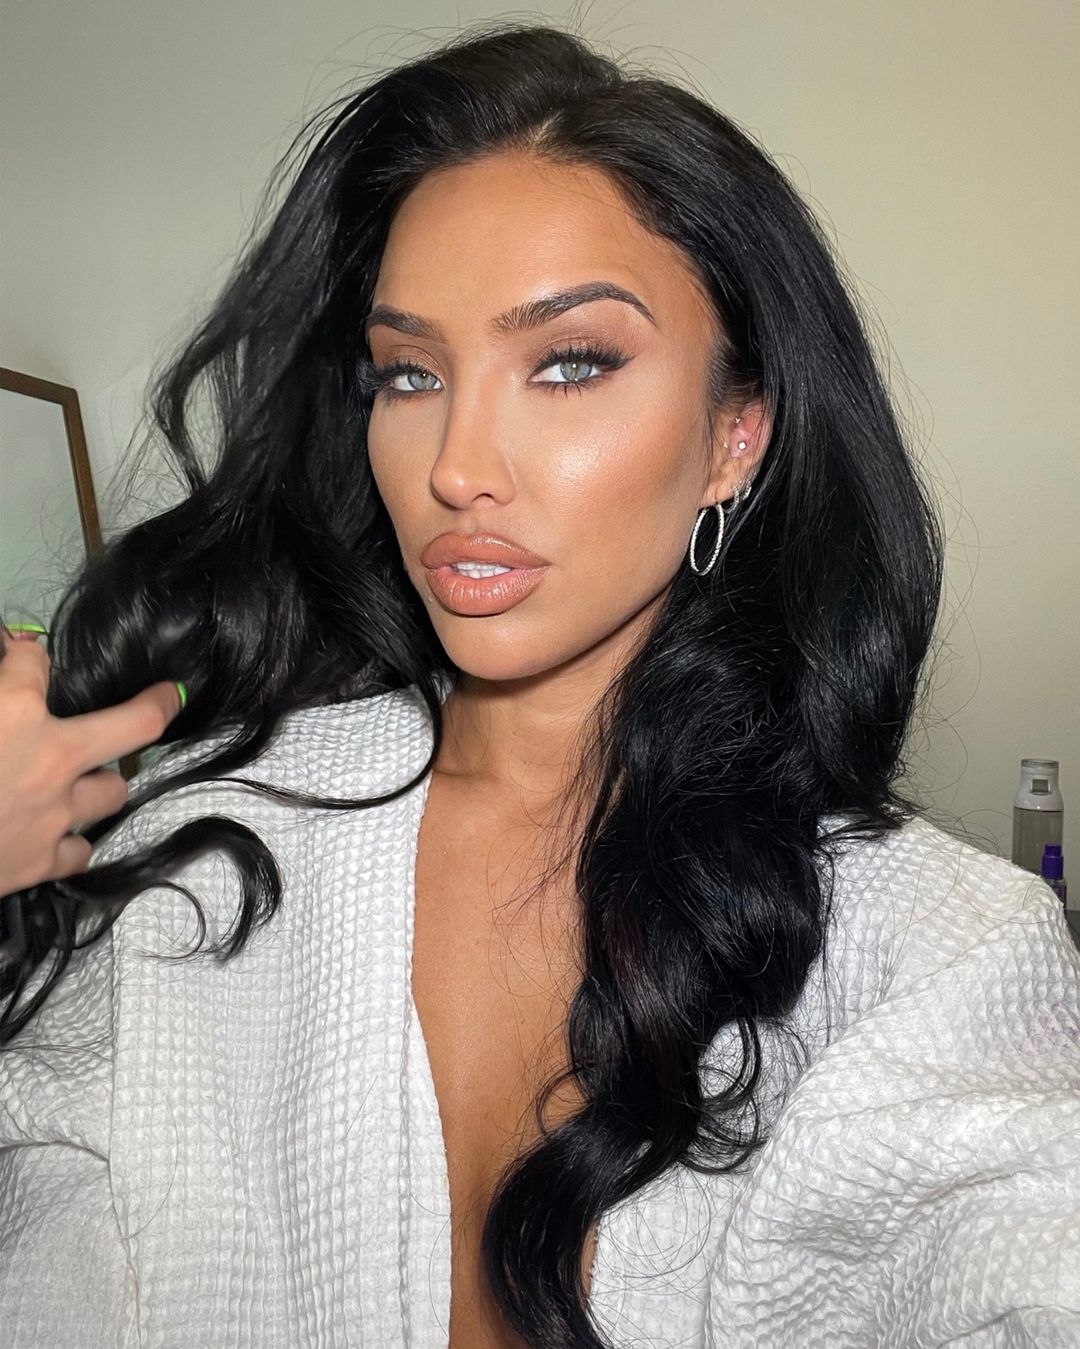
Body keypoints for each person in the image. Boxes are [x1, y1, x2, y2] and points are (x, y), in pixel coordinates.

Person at [1, 23, 1077, 1349]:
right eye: (410, 372)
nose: (457, 464)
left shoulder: (935, 948)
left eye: (569, 363)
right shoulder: (206, 845)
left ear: (735, 434)